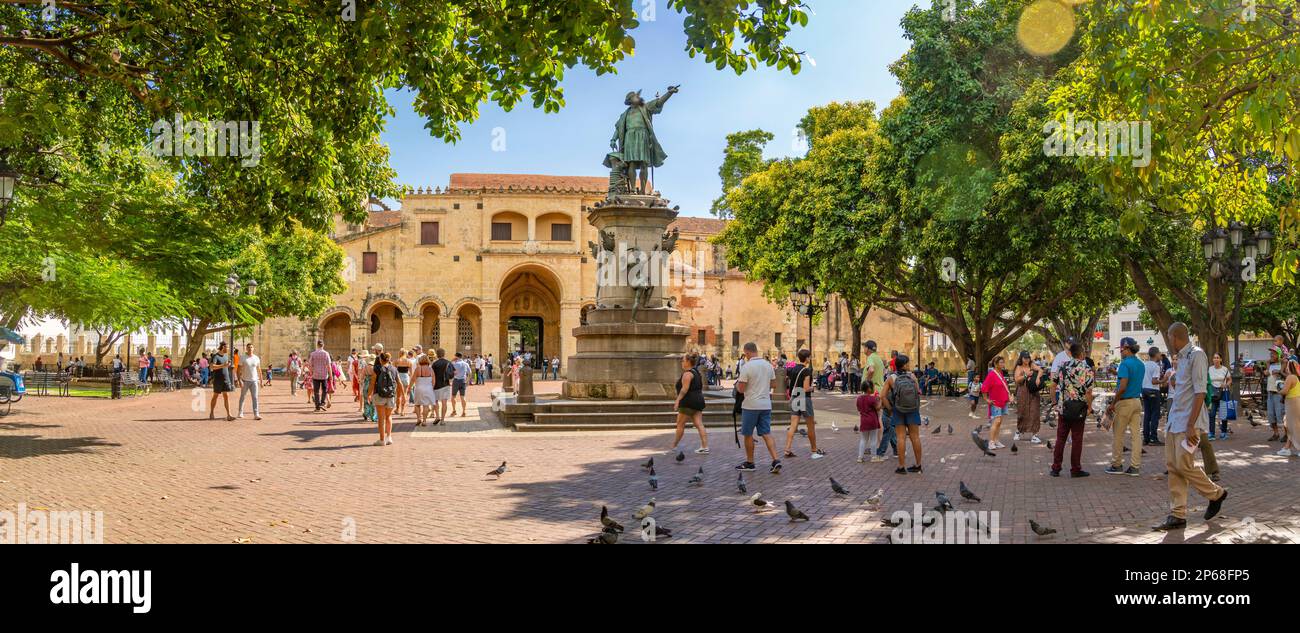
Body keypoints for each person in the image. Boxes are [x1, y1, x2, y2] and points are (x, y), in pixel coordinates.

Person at [1153, 323, 1228, 531]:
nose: (1169, 342)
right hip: (1174, 420)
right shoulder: (1182, 358)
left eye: (1169, 337)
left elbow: (1200, 392)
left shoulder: (1197, 355)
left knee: (1184, 464)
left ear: (1175, 336)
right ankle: (1177, 514)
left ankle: (1216, 494)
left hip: (1188, 422)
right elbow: (1186, 387)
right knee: (1173, 465)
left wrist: (1190, 424)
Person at [734, 342, 781, 474]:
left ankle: (750, 462)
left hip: (751, 405)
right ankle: (776, 459)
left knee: (748, 434)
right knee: (766, 433)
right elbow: (774, 384)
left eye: (745, 354)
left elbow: (741, 389)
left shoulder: (747, 367)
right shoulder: (768, 365)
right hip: (766, 404)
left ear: (747, 352)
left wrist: (737, 385)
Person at [1050, 342, 1094, 478]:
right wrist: (1090, 407)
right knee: (1077, 439)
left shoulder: (1063, 367)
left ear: (1071, 353)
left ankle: (1056, 468)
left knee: (1060, 438)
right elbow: (1088, 392)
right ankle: (1075, 469)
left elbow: (1052, 385)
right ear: (1081, 354)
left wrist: (1054, 402)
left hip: (1064, 407)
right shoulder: (1087, 369)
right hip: (1079, 408)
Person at [1105, 337, 1145, 476]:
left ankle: (1117, 464)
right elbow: (1132, 378)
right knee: (1136, 436)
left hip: (1124, 403)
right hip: (1137, 401)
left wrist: (1113, 403)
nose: (1120, 352)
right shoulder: (1141, 364)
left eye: (1121, 349)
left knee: (1118, 435)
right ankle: (1135, 467)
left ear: (1126, 348)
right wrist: (1116, 374)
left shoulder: (1124, 364)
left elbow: (1122, 387)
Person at [883, 353, 924, 474]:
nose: (909, 364)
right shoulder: (912, 376)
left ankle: (901, 467)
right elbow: (918, 392)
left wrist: (890, 409)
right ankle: (918, 465)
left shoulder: (891, 378)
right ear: (904, 365)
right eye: (908, 362)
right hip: (913, 409)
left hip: (898, 410)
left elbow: (882, 396)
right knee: (915, 437)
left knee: (901, 438)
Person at [783, 348, 824, 460]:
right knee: (810, 425)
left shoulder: (793, 369)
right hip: (804, 398)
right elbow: (805, 388)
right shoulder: (806, 371)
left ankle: (787, 449)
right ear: (807, 358)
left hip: (795, 398)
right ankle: (814, 451)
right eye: (809, 357)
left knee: (793, 425)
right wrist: (812, 387)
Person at [669, 353, 709, 454]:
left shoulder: (687, 374)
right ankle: (705, 446)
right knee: (699, 424)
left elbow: (684, 389)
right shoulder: (696, 372)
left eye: (683, 361)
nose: (681, 363)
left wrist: (678, 400)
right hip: (698, 401)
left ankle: (674, 446)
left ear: (687, 362)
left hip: (688, 402)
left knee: (680, 424)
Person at [865, 341, 898, 459]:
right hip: (878, 390)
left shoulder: (870, 358)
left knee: (878, 418)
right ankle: (884, 446)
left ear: (867, 348)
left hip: (873, 391)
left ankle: (878, 445)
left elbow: (871, 370)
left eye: (864, 347)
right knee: (880, 418)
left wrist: (866, 383)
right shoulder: (878, 358)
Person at [369, 351, 399, 446]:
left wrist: (369, 394)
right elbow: (399, 383)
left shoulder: (377, 369)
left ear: (381, 360)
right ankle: (389, 437)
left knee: (381, 418)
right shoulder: (394, 369)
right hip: (391, 395)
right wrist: (403, 394)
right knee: (389, 416)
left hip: (379, 395)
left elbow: (372, 383)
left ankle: (382, 440)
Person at [1013, 352, 1044, 444]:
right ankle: (1019, 431)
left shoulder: (1032, 365)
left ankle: (1035, 435)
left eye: (1028, 358)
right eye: (1025, 358)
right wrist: (1026, 375)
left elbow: (1041, 370)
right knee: (1022, 412)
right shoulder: (1019, 367)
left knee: (1035, 412)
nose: (1027, 360)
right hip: (1022, 392)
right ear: (1021, 358)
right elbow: (1017, 379)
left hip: (1033, 391)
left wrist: (1038, 378)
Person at [983, 357, 1012, 449]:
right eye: (1001, 362)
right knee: (997, 421)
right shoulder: (992, 374)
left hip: (1002, 401)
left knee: (999, 422)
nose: (1003, 364)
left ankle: (996, 440)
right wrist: (986, 399)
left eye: (1003, 362)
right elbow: (984, 387)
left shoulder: (1000, 373)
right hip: (995, 402)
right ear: (996, 364)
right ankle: (991, 442)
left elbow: (1003, 387)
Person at [1266, 335, 1289, 443]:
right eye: (1271, 353)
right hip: (1270, 392)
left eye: (1274, 353)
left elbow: (1289, 377)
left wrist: (1279, 372)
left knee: (1281, 415)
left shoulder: (1283, 363)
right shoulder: (1269, 363)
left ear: (1278, 354)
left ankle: (1287, 434)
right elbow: (1267, 374)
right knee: (1271, 415)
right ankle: (1275, 433)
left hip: (1278, 393)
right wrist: (1265, 372)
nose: (1271, 354)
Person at [1141, 347, 1165, 446]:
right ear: (1156, 354)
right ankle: (1153, 438)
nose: (1160, 355)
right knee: (1155, 415)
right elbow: (1154, 381)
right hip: (1153, 391)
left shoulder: (1145, 365)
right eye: (1159, 353)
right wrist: (1163, 381)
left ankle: (1146, 438)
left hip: (1144, 390)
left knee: (1147, 414)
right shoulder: (1156, 366)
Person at [856, 380, 884, 464]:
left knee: (863, 439)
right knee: (873, 439)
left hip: (863, 421)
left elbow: (858, 409)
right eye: (872, 387)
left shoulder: (859, 398)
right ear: (869, 389)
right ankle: (874, 456)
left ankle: (860, 457)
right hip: (872, 421)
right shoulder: (872, 399)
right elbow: (878, 408)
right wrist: (881, 400)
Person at [207, 342, 235, 421]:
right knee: (215, 396)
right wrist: (223, 365)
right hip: (218, 380)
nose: (228, 349)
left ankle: (229, 415)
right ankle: (211, 412)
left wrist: (227, 365)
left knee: (226, 396)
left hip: (226, 379)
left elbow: (225, 366)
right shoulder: (215, 356)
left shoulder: (226, 356)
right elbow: (212, 367)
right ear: (223, 347)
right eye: (227, 347)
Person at [1279, 356, 1300, 457]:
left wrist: (1278, 389)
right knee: (1289, 424)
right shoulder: (1295, 377)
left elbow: (1285, 391)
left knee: (1293, 426)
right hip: (1294, 402)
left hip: (1293, 403)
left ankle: (1291, 448)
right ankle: (1287, 448)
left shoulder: (1290, 377)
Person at [1208, 353, 1231, 440]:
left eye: (1218, 358)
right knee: (1212, 413)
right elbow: (1207, 380)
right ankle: (1211, 433)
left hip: (1224, 392)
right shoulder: (1210, 369)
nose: (1216, 359)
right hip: (1213, 394)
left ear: (1221, 360)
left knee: (1223, 413)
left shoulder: (1225, 369)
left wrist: (1226, 385)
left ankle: (1224, 432)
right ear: (1213, 360)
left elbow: (1229, 380)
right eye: (1214, 358)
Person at [236, 343, 262, 420]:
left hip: (254, 381)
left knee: (255, 397)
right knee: (243, 397)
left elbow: (259, 369)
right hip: (245, 380)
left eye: (251, 347)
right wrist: (239, 380)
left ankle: (256, 414)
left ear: (253, 348)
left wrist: (261, 380)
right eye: (248, 347)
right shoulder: (243, 357)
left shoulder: (256, 358)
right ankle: (240, 413)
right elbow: (238, 370)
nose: (250, 348)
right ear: (246, 349)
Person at [412, 354, 436, 427]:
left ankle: (419, 418)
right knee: (426, 405)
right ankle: (424, 421)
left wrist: (409, 387)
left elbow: (413, 379)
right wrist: (431, 387)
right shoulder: (431, 369)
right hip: (428, 388)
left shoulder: (418, 369)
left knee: (417, 404)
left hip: (419, 388)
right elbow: (433, 381)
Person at [308, 340, 332, 412]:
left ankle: (317, 407)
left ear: (317, 345)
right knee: (324, 390)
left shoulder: (313, 354)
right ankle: (322, 403)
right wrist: (330, 375)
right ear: (323, 345)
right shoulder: (326, 354)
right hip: (324, 375)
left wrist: (311, 372)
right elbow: (329, 365)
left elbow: (310, 365)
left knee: (316, 391)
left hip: (316, 375)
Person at [431, 348, 452, 424]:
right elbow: (454, 373)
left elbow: (432, 375)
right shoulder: (448, 362)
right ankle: (442, 420)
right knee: (444, 403)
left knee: (435, 401)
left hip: (436, 385)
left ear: (437, 354)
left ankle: (437, 416)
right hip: (445, 384)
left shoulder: (435, 364)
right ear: (444, 354)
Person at [394, 348, 412, 418]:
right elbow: (411, 373)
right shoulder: (408, 361)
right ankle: (403, 410)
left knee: (398, 395)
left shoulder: (397, 361)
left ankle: (397, 409)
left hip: (399, 378)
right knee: (404, 394)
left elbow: (394, 371)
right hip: (406, 377)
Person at [451, 352, 470, 417]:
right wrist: (467, 381)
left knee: (453, 396)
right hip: (463, 381)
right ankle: (464, 411)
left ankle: (454, 411)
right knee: (463, 397)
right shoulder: (466, 364)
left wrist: (452, 361)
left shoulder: (455, 364)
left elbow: (452, 372)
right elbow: (469, 373)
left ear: (456, 356)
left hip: (456, 380)